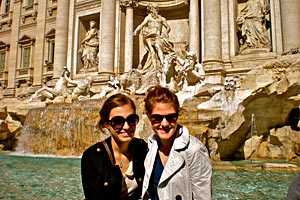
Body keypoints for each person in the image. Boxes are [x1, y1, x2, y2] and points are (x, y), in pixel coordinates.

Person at [142, 85, 212, 200]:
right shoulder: (150, 146)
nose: (164, 124)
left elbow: (203, 196)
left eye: (171, 117)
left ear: (177, 115)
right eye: (157, 118)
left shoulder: (195, 150)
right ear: (149, 117)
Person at [81, 93, 148, 199]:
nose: (126, 127)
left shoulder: (143, 149)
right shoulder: (92, 157)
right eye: (118, 122)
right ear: (106, 124)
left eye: (131, 120)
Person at [133, 6, 173, 72]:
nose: (152, 12)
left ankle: (162, 64)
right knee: (152, 51)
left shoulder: (162, 19)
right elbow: (141, 25)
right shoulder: (148, 18)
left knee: (158, 48)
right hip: (148, 36)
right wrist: (136, 31)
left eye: (153, 10)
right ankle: (154, 67)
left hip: (157, 36)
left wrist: (165, 32)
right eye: (151, 10)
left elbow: (168, 27)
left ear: (156, 10)